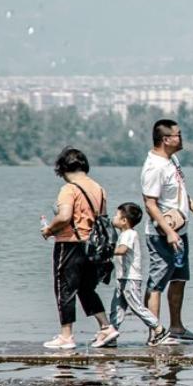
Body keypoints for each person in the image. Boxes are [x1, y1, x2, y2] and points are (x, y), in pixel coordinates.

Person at [140, 119, 193, 340]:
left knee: (179, 278)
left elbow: (178, 190)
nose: (182, 138)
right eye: (178, 135)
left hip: (180, 231)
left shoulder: (172, 160)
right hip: (161, 234)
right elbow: (150, 203)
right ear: (166, 139)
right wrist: (168, 232)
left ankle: (177, 327)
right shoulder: (154, 167)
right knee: (157, 281)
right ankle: (155, 332)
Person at [40, 148, 114, 350]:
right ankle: (106, 327)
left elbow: (64, 216)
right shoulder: (99, 188)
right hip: (92, 246)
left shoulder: (69, 189)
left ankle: (66, 336)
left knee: (64, 288)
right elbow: (103, 219)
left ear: (63, 169)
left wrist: (49, 229)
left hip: (70, 243)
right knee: (85, 288)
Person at [106, 202, 167, 346]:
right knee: (117, 308)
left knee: (136, 306)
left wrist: (106, 251)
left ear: (124, 221)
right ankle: (111, 335)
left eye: (116, 215)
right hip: (122, 278)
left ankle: (159, 329)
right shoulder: (123, 234)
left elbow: (122, 250)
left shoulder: (129, 234)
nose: (113, 218)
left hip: (130, 278)